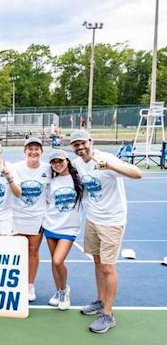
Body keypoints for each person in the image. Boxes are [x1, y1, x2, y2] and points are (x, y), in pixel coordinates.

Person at [70, 129, 142, 333]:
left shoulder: (105, 158)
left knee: (108, 267)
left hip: (112, 221)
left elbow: (138, 174)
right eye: (76, 144)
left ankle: (108, 314)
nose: (80, 147)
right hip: (92, 219)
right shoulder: (77, 163)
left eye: (83, 143)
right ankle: (101, 300)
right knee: (97, 262)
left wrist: (110, 165)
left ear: (90, 141)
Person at [42, 149, 83, 311]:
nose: (57, 164)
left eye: (60, 161)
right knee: (54, 261)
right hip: (50, 225)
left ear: (67, 160)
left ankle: (64, 291)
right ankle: (59, 290)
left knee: (58, 260)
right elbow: (46, 203)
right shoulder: (51, 182)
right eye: (54, 162)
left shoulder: (78, 180)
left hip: (69, 228)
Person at [12, 137, 51, 302]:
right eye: (30, 149)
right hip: (17, 216)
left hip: (37, 217)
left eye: (36, 149)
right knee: (17, 252)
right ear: (25, 151)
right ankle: (16, 283)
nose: (33, 152)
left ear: (41, 151)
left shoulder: (48, 169)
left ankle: (29, 285)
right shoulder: (15, 168)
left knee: (33, 251)